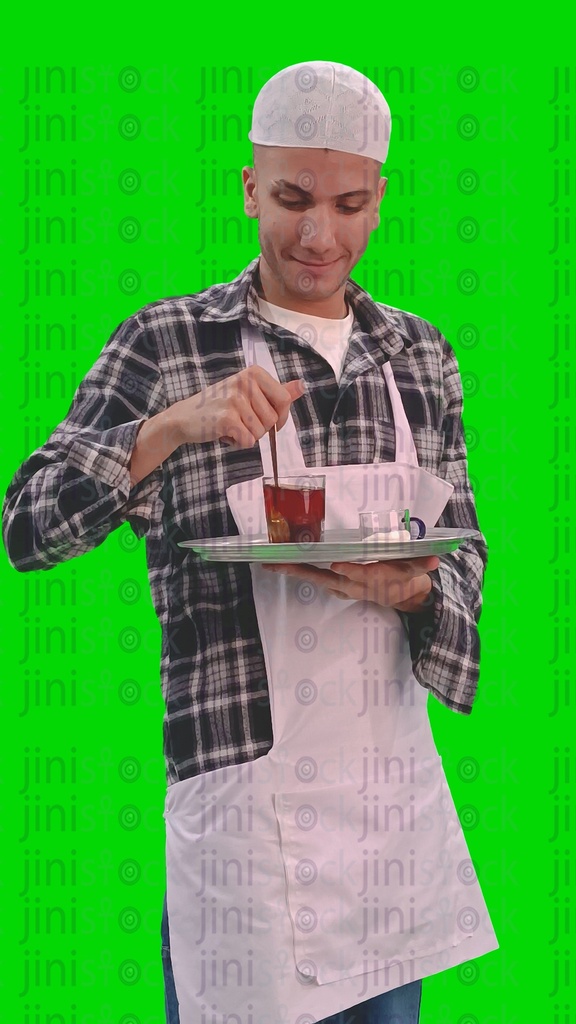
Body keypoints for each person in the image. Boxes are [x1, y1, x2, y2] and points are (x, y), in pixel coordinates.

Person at [4, 61, 498, 1024]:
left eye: (349, 204)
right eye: (292, 198)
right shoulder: (167, 342)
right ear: (247, 187)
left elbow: (466, 548)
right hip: (243, 821)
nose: (320, 235)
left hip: (385, 830)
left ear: (378, 201)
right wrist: (172, 427)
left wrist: (415, 593)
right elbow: (28, 526)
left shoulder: (418, 353)